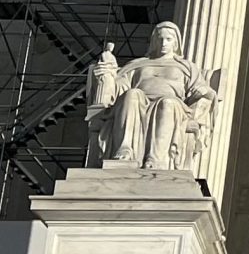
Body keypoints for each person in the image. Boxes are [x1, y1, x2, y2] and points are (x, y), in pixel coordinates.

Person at [85, 22, 222, 176]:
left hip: (173, 106)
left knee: (167, 103)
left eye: (168, 39)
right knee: (132, 94)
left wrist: (202, 106)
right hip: (137, 102)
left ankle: (155, 159)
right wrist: (107, 73)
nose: (163, 43)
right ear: (154, 41)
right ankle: (125, 151)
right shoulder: (136, 65)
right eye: (160, 39)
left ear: (176, 42)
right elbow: (117, 91)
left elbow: (201, 92)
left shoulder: (187, 68)